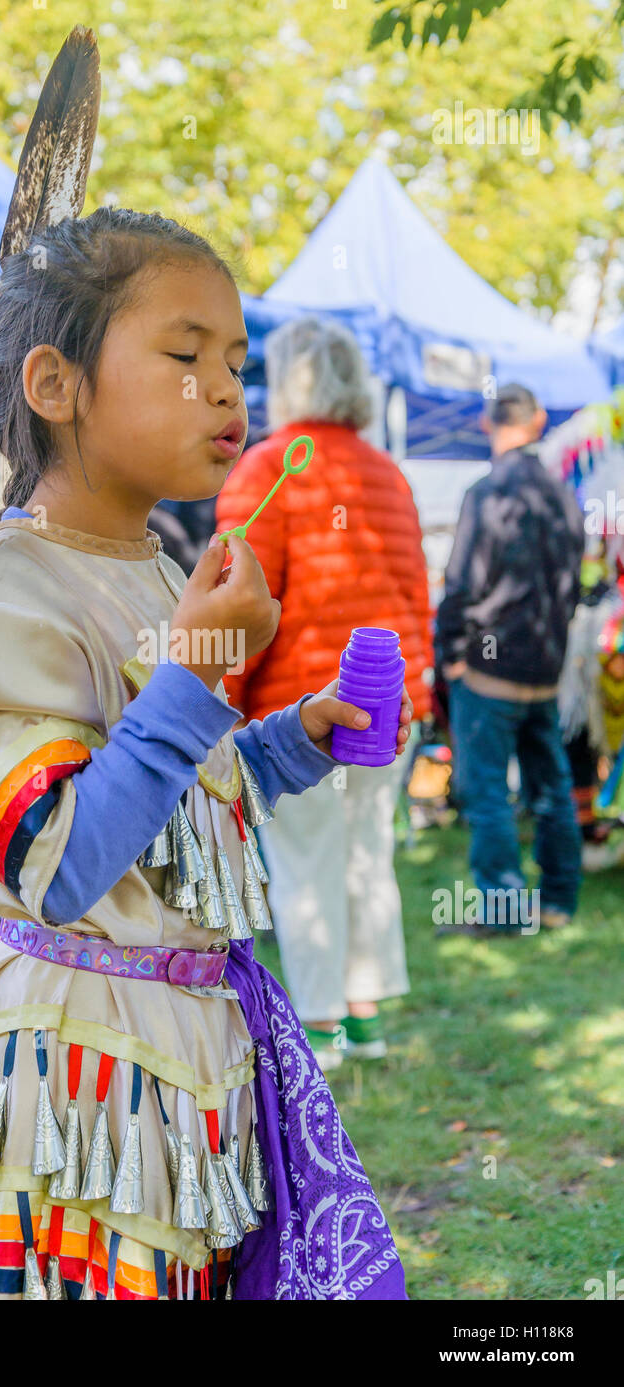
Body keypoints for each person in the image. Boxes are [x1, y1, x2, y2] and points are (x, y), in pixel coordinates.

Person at [0, 27, 411, 1302]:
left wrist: (289, 735)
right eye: (185, 358)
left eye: (236, 361)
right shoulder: (1, 596)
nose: (228, 391)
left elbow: (178, 805)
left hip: (171, 1064)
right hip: (72, 1074)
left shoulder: (157, 565)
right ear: (56, 384)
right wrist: (191, 679)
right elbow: (63, 860)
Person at [215, 316, 432, 1066]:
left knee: (306, 861)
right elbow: (413, 594)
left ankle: (319, 1026)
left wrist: (220, 699)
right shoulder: (387, 472)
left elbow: (239, 604)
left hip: (298, 706)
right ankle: (364, 1013)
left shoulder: (270, 468)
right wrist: (419, 691)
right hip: (388, 703)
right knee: (367, 853)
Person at [436, 383, 585, 934]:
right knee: (550, 788)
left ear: (486, 424)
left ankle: (503, 913)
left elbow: (460, 585)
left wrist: (449, 657)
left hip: (490, 668)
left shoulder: (488, 492)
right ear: (539, 421)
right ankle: (558, 903)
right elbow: (574, 583)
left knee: (490, 792)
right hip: (544, 668)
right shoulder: (561, 493)